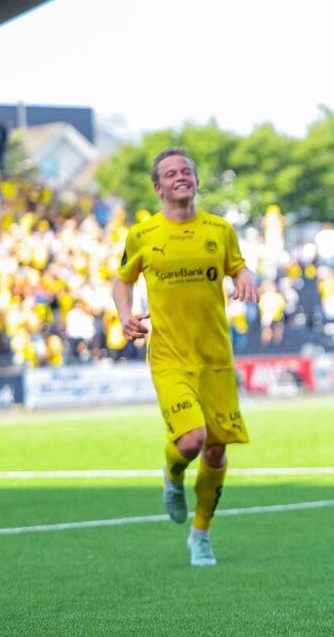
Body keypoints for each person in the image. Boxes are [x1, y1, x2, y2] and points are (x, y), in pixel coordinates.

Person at [113, 147, 258, 567]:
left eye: (186, 171)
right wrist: (125, 315)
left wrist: (245, 276)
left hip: (215, 358)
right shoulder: (142, 235)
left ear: (195, 180)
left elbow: (239, 267)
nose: (180, 176)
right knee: (192, 439)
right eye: (171, 173)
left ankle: (201, 534)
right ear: (158, 188)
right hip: (169, 356)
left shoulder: (219, 229)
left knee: (215, 451)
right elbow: (121, 281)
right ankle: (172, 473)